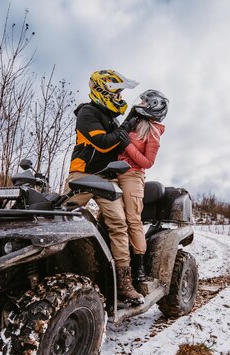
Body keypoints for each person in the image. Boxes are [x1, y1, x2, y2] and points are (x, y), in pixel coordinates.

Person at [65, 69, 144, 305]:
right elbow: (102, 143)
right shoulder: (87, 112)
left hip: (106, 178)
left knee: (118, 224)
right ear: (103, 91)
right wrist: (126, 125)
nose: (120, 96)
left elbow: (119, 147)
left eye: (120, 92)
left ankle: (123, 282)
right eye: (117, 92)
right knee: (60, 217)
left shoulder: (111, 118)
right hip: (82, 174)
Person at [116, 89, 169, 281]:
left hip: (133, 176)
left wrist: (127, 145)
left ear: (154, 106)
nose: (141, 104)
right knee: (111, 219)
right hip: (114, 173)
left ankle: (138, 268)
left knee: (132, 219)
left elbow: (148, 162)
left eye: (145, 102)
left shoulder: (153, 132)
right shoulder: (133, 122)